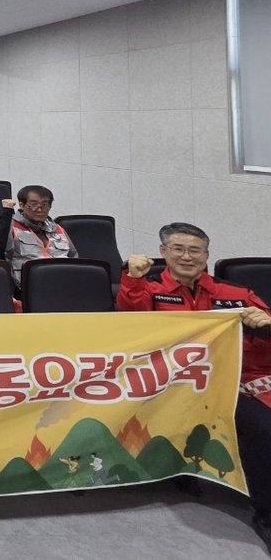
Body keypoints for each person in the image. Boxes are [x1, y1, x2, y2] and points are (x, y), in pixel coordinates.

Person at [118, 223, 271, 550]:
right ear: (163, 252)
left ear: (207, 255)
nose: (187, 256)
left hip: (236, 381)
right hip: (176, 386)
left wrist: (266, 325)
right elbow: (130, 325)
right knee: (264, 428)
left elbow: (266, 327)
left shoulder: (235, 294)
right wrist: (132, 279)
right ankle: (267, 514)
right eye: (178, 249)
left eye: (195, 250)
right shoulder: (148, 290)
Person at [0, 185, 77, 285]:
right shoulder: (11, 228)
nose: (39, 210)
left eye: (44, 205)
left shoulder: (58, 229)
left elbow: (74, 258)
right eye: (33, 205)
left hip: (64, 282)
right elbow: (1, 255)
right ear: (22, 205)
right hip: (28, 286)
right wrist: (7, 211)